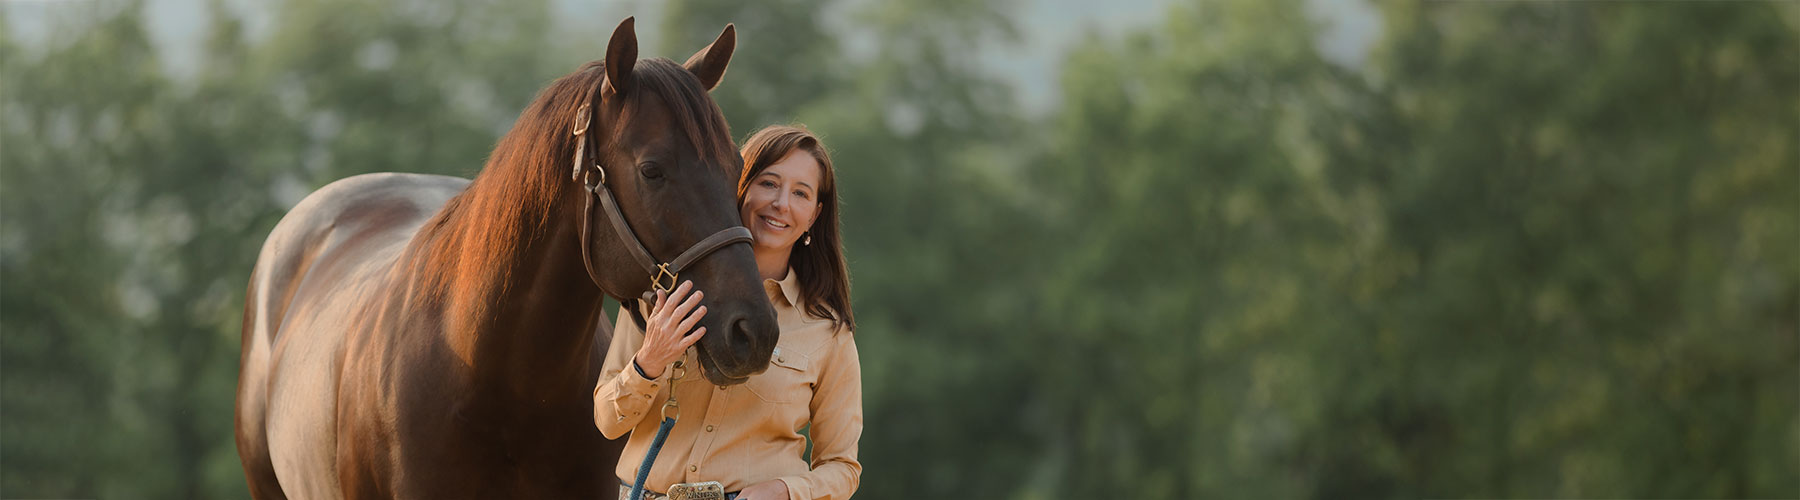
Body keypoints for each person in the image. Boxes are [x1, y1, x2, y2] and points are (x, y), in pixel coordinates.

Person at [595, 124, 861, 500]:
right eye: (768, 183)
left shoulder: (826, 331)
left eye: (800, 193)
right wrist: (649, 362)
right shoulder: (662, 295)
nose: (781, 203)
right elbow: (607, 422)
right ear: (738, 186)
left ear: (814, 216)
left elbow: (842, 466)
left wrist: (785, 491)